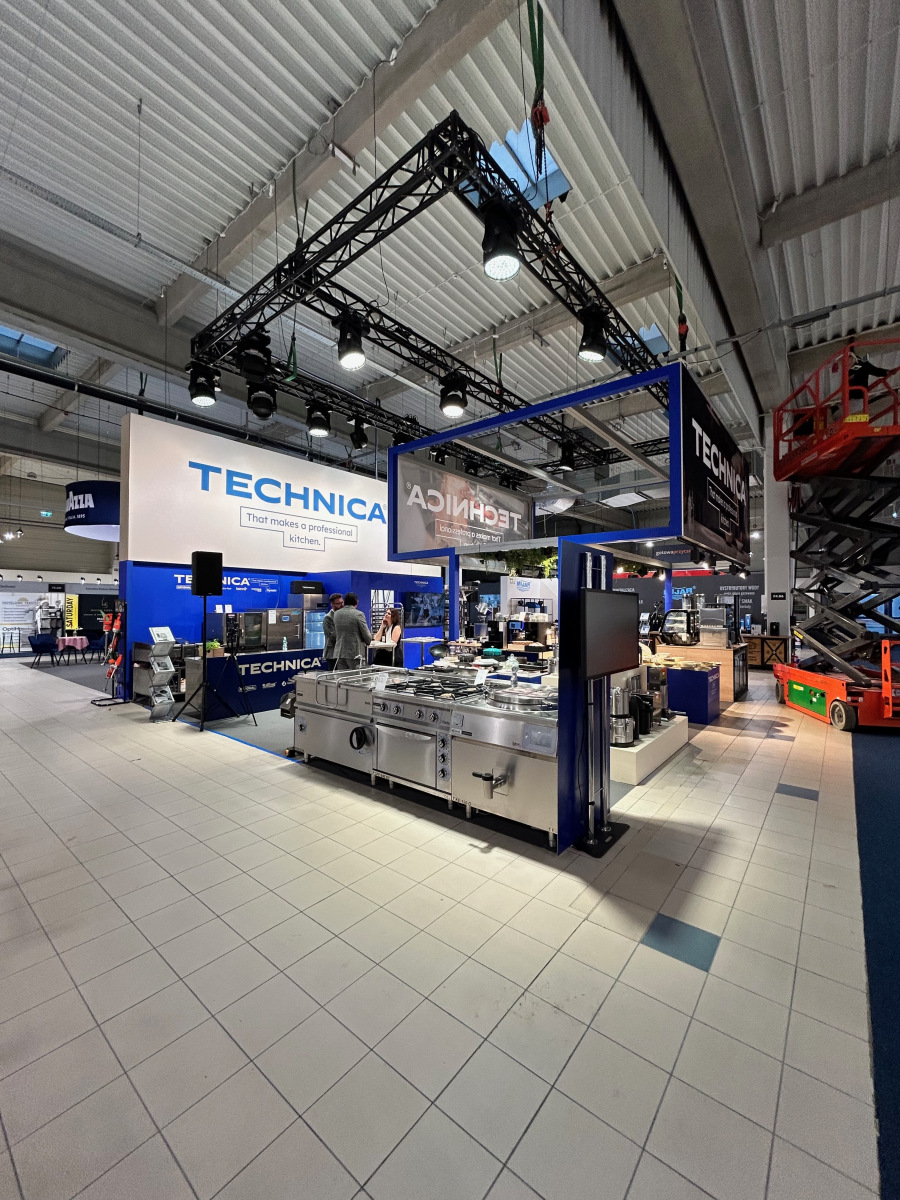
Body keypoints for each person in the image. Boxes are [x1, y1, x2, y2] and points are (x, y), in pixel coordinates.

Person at [331, 592, 372, 670]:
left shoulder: (336, 614)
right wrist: (368, 640)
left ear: (344, 602)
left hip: (340, 653)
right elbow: (367, 636)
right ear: (356, 602)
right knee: (357, 676)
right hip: (355, 653)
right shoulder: (358, 614)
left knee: (343, 677)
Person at [321, 593, 343, 671]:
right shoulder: (328, 618)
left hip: (341, 652)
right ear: (332, 604)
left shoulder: (342, 616)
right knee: (333, 675)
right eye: (338, 603)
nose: (341, 605)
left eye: (342, 602)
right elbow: (332, 636)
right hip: (332, 653)